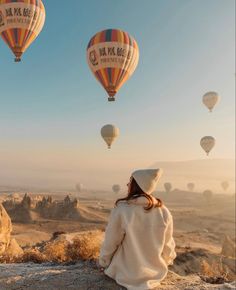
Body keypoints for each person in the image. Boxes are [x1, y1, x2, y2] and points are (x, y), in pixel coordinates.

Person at [99, 169, 176, 290]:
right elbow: (168, 244)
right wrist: (166, 261)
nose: (127, 184)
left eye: (130, 181)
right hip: (155, 272)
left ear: (136, 185)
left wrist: (104, 262)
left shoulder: (123, 209)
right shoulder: (163, 211)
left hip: (124, 272)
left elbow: (111, 241)